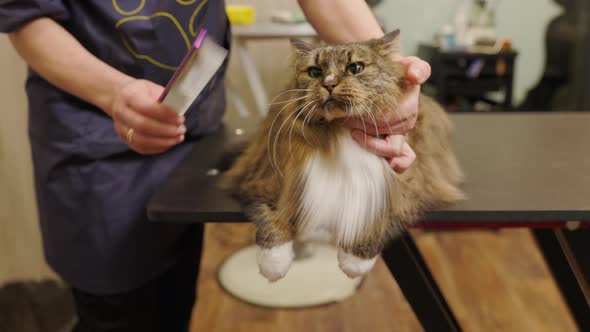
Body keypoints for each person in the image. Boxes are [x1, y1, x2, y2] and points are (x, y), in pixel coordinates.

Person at [1, 0, 431, 331]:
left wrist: (393, 77)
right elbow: (26, 14)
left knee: (173, 300)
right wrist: (112, 93)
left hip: (193, 125)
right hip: (95, 139)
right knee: (119, 310)